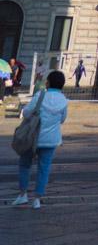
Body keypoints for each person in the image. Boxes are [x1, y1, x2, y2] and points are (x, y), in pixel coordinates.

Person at [11, 69, 68, 208]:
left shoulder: (40, 95)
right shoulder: (64, 101)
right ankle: (37, 199)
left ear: (48, 83)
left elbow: (27, 112)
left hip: (32, 138)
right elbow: (62, 119)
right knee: (44, 168)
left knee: (25, 165)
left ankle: (23, 194)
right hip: (51, 140)